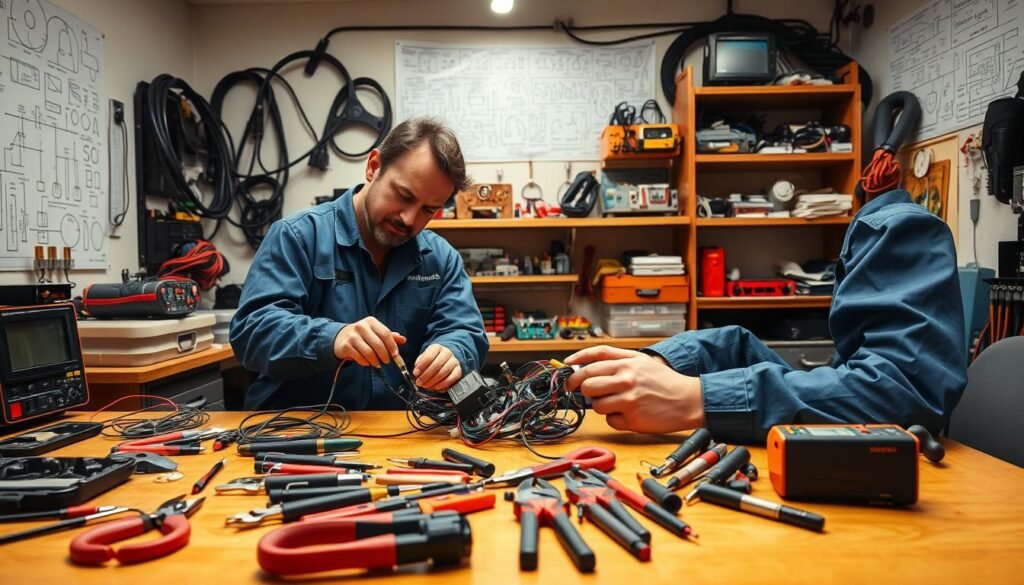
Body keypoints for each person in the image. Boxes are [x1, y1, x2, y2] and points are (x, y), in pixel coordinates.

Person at [565, 189, 967, 443]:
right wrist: (660, 364)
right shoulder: (870, 232)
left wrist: (696, 399)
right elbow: (740, 344)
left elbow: (903, 392)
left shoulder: (897, 230)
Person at [230, 117, 488, 410]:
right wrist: (332, 338)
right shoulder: (298, 237)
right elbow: (252, 332)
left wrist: (454, 352)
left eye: (428, 210)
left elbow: (466, 331)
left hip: (399, 437)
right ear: (373, 166)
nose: (409, 219)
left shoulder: (441, 259)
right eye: (404, 196)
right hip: (295, 434)